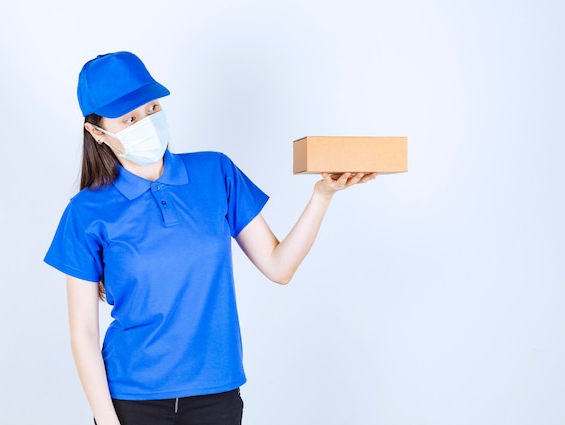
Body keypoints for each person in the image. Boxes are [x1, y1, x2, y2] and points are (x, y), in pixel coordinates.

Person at [44, 51, 377, 425]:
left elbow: (279, 267)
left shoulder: (215, 172)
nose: (147, 122)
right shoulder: (86, 211)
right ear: (97, 132)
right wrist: (107, 421)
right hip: (131, 401)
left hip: (216, 396)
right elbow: (84, 333)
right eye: (130, 119)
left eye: (152, 107)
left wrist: (322, 195)